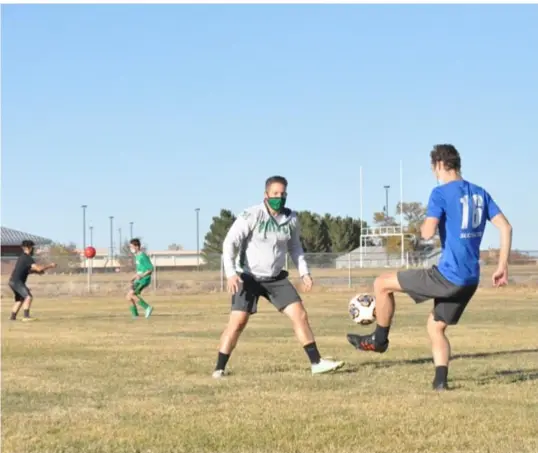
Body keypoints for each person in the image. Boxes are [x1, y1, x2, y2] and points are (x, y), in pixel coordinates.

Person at [347, 144, 512, 391]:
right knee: (435, 326)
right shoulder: (480, 193)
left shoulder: (440, 193)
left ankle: (379, 340)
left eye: (433, 168)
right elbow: (506, 227)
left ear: (439, 165)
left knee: (382, 284)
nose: (434, 173)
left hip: (447, 276)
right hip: (469, 280)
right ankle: (440, 383)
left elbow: (427, 232)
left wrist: (422, 228)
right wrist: (502, 266)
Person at [213, 175, 344, 378]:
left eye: (283, 194)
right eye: (275, 194)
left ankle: (316, 363)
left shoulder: (291, 218)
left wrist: (304, 272)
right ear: (266, 195)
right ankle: (219, 369)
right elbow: (229, 243)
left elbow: (295, 247)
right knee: (237, 322)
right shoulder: (251, 215)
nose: (279, 197)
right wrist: (231, 274)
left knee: (300, 314)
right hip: (248, 277)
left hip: (276, 279)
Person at [9, 240, 57, 321]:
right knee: (28, 297)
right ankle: (26, 317)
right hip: (17, 282)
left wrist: (37, 272)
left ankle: (12, 317)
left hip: (12, 281)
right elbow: (38, 268)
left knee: (20, 299)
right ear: (29, 248)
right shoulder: (27, 258)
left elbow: (27, 270)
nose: (33, 249)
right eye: (33, 247)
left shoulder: (22, 257)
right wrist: (50, 266)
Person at [125, 238, 154, 318]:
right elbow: (139, 271)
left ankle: (147, 307)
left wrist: (142, 276)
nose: (130, 249)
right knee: (128, 297)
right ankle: (135, 315)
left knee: (132, 294)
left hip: (144, 279)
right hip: (139, 279)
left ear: (137, 247)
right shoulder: (137, 256)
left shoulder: (142, 256)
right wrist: (133, 278)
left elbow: (150, 269)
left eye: (131, 247)